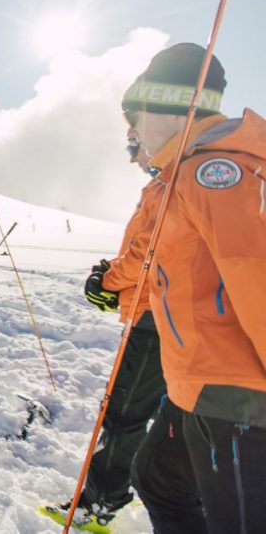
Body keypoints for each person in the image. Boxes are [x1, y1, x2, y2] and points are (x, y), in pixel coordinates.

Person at [117, 42, 266, 533]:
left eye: (136, 116)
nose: (132, 133)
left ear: (172, 110)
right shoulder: (180, 174)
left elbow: (255, 274)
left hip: (236, 397)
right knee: (158, 478)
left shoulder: (213, 172)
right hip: (197, 384)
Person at [43, 137, 167, 531]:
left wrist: (108, 280)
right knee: (154, 411)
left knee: (125, 411)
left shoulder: (169, 184)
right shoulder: (162, 183)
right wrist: (111, 276)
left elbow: (149, 251)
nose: (132, 157)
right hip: (157, 310)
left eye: (135, 144)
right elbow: (142, 249)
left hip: (155, 315)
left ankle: (100, 504)